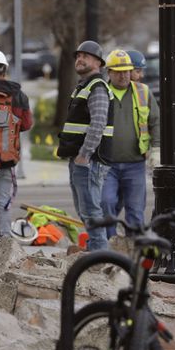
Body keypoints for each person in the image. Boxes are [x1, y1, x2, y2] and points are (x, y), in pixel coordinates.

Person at [56, 40, 112, 251]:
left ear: (98, 62)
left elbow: (98, 123)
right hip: (81, 160)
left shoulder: (97, 87)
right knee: (85, 211)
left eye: (85, 56)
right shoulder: (83, 87)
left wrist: (84, 154)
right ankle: (95, 253)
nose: (80, 59)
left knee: (91, 211)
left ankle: (100, 257)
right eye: (78, 56)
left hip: (89, 161)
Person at [100, 50, 160, 237]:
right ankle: (109, 248)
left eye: (127, 70)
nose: (124, 74)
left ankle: (135, 253)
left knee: (135, 210)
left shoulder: (142, 92)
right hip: (106, 164)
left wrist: (156, 150)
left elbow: (155, 121)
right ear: (108, 72)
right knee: (107, 203)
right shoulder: (101, 92)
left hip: (135, 163)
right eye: (118, 71)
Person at [0, 49, 33, 237]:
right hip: (7, 162)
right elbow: (26, 124)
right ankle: (5, 244)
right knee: (3, 205)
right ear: (5, 69)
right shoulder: (18, 95)